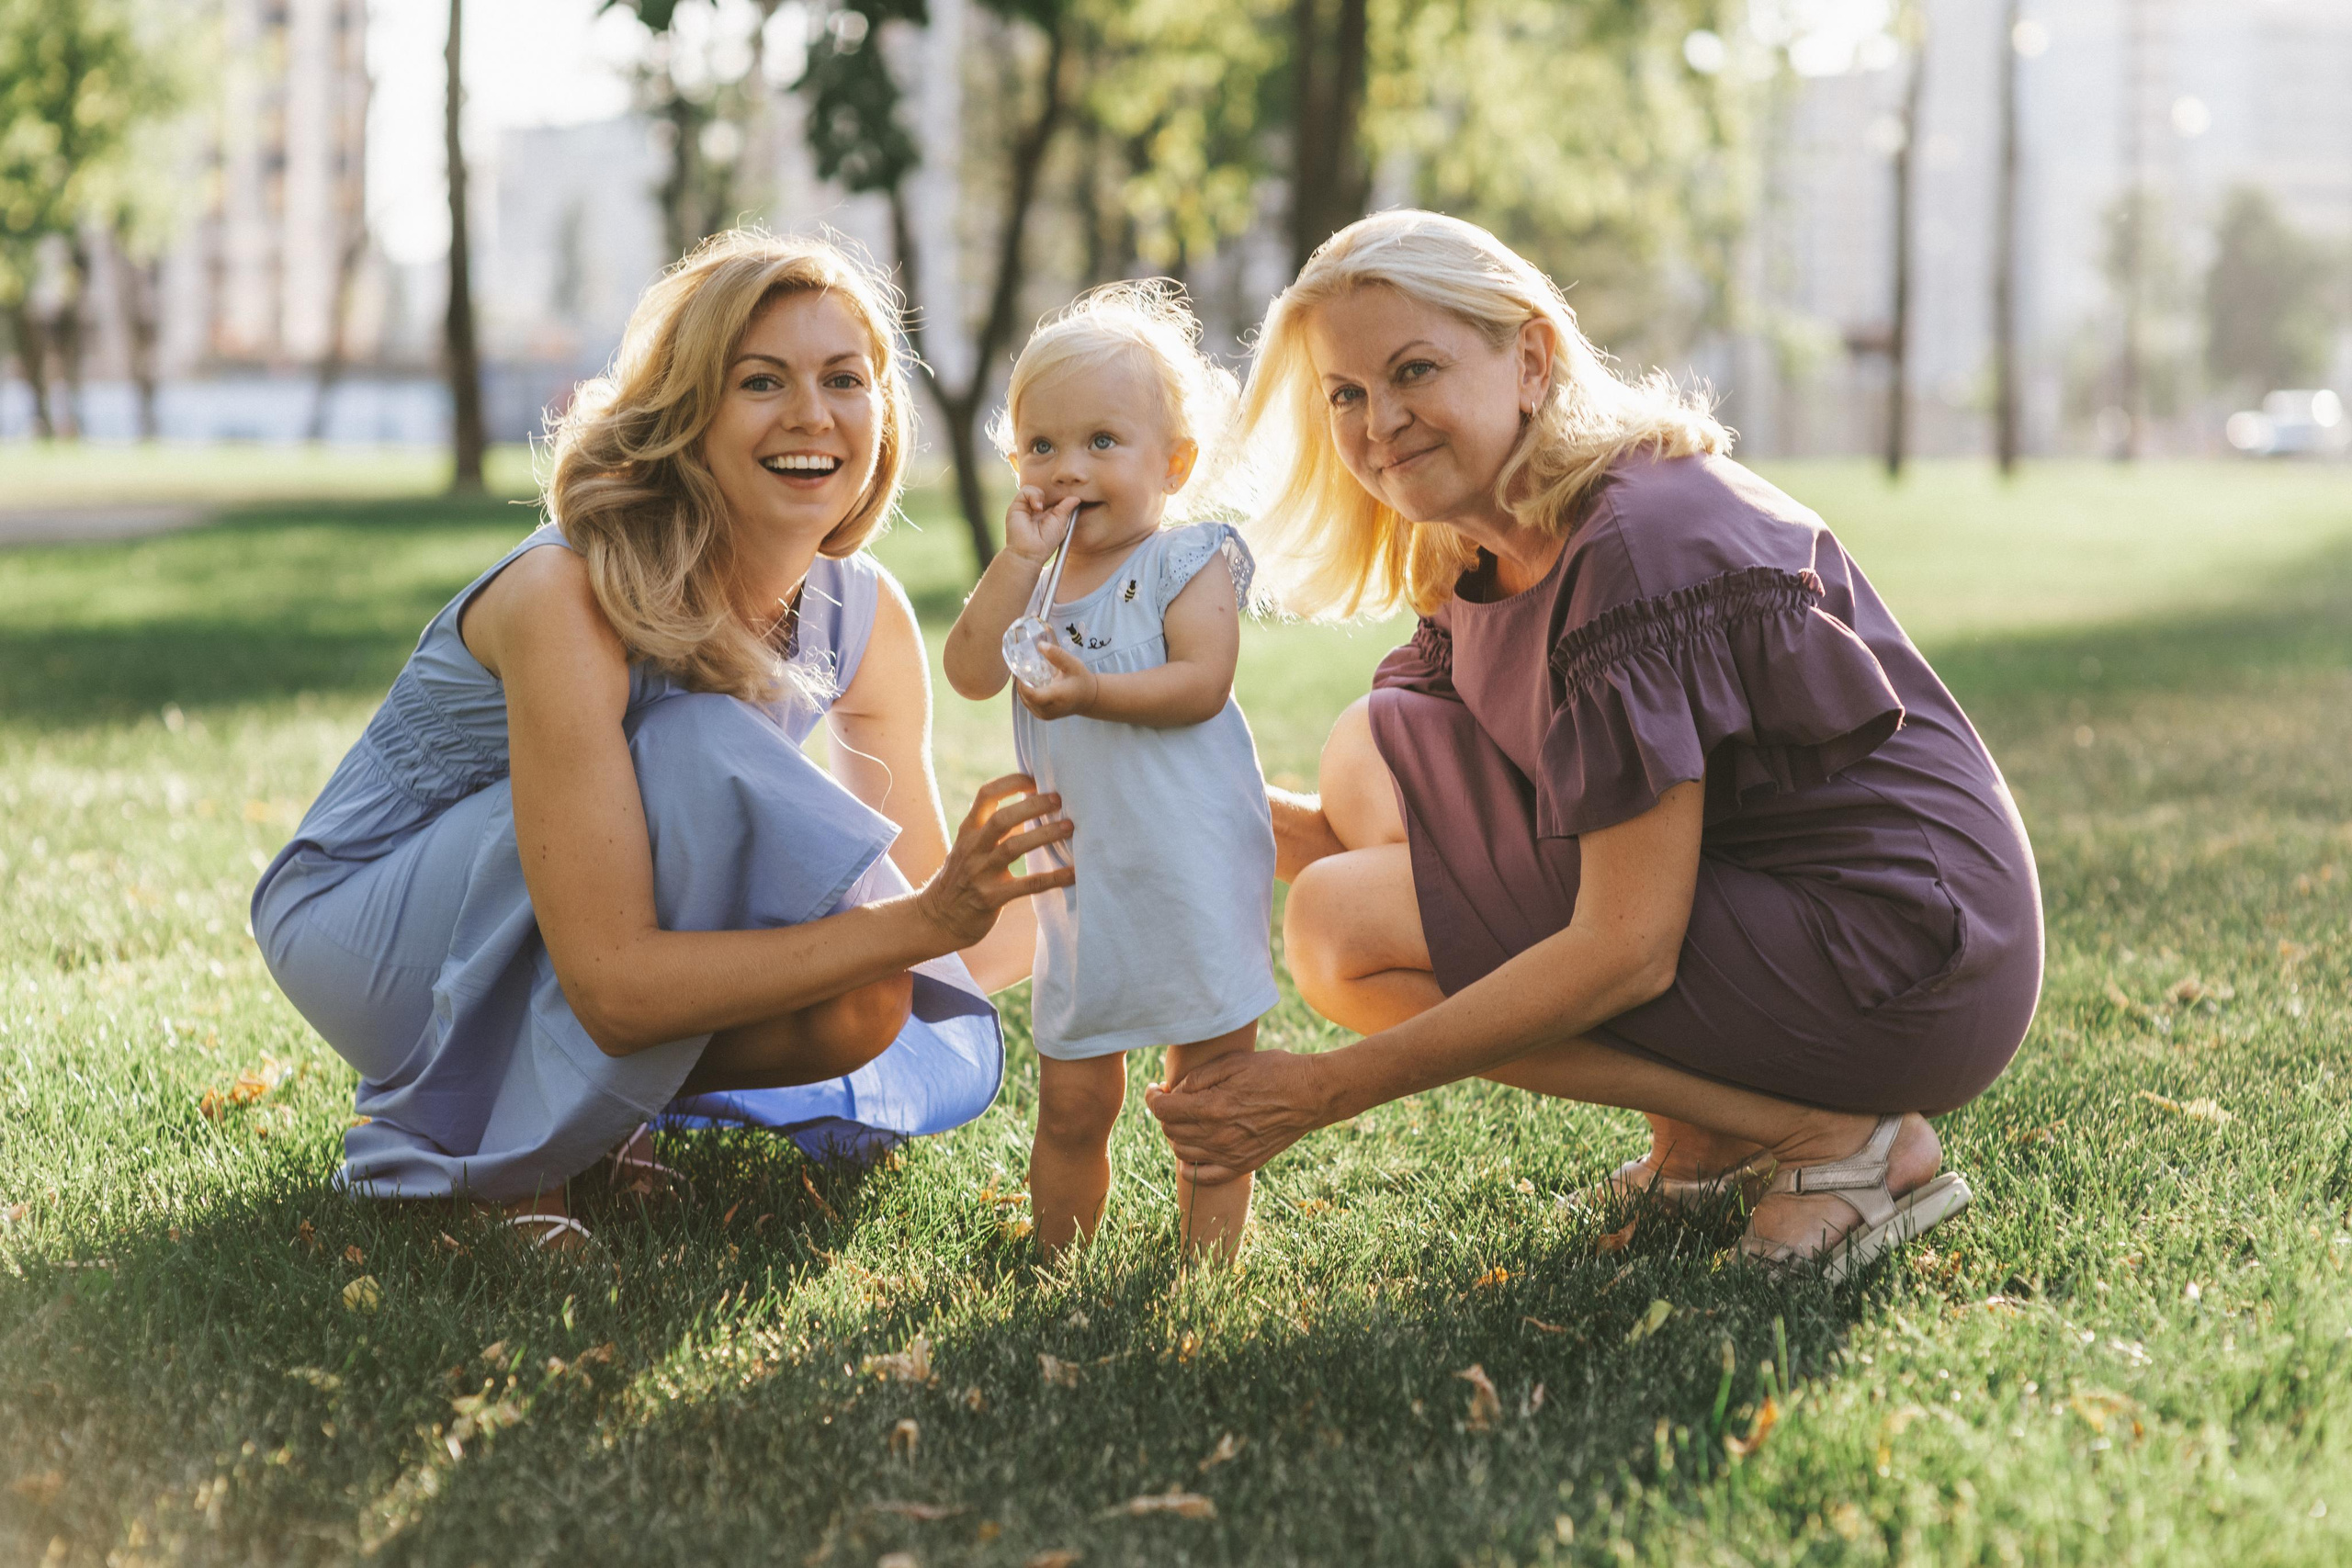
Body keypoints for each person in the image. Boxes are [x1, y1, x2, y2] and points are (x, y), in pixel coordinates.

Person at [1146, 211, 2043, 1280]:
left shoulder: (1631, 544)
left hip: (1905, 957)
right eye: (1345, 393)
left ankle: (1833, 1142)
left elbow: (1627, 947)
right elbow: (1357, 828)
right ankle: (1721, 1134)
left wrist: (1325, 1091)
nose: (1377, 422)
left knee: (1340, 930)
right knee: (1369, 751)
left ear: (1529, 358)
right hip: (1778, 906)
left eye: (1414, 370)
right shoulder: (1482, 545)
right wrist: (1157, 795)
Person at [250, 231, 1070, 1247]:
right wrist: (927, 920)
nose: (812, 416)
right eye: (761, 381)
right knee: (695, 748)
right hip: (365, 923)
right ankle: (502, 1161)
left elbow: (919, 912)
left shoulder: (866, 613)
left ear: (883, 414)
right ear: (688, 415)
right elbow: (613, 986)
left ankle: (598, 1115)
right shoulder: (566, 592)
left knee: (864, 999)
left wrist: (1100, 863)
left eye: (844, 380)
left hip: (584, 931)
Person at [944, 284, 1277, 1264]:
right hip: (1087, 886)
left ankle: (1205, 1272)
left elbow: (1201, 683)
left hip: (1192, 869)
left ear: (1172, 463)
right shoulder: (1035, 580)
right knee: (1075, 1097)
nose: (1068, 468)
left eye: (1101, 442)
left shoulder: (1186, 558)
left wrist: (1092, 693)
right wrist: (1012, 564)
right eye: (1041, 446)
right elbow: (968, 671)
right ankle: (1059, 1264)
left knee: (1209, 1089)